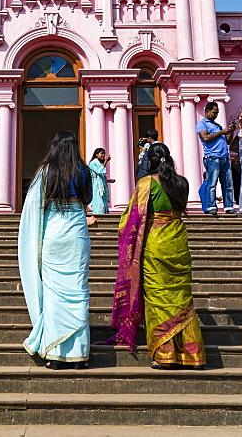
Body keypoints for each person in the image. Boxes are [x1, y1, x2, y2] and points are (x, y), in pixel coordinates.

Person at [99, 142, 205, 370]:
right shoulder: (182, 183)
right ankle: (191, 354)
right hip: (178, 240)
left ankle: (165, 354)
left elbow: (131, 218)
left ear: (150, 161)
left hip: (155, 243)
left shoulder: (146, 183)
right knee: (182, 299)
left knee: (158, 299)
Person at [18, 130, 93, 370]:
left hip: (54, 231)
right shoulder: (84, 171)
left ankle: (55, 354)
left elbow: (34, 204)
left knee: (53, 294)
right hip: (77, 231)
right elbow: (88, 199)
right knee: (78, 289)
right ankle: (79, 355)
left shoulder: (46, 171)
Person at [196, 102, 236, 214]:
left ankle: (229, 207)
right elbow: (206, 138)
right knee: (212, 183)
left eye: (217, 113)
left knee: (228, 184)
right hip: (212, 157)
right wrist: (222, 132)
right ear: (207, 111)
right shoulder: (202, 124)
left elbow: (228, 141)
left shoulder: (217, 126)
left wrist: (231, 131)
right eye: (214, 113)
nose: (216, 115)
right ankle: (211, 206)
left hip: (224, 157)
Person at [88, 148, 115, 219]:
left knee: (104, 202)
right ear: (96, 154)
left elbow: (101, 177)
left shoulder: (100, 164)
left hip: (102, 187)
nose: (103, 155)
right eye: (101, 153)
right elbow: (99, 171)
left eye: (104, 153)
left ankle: (105, 217)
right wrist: (106, 161)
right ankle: (98, 217)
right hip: (96, 187)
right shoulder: (93, 163)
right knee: (98, 201)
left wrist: (108, 181)